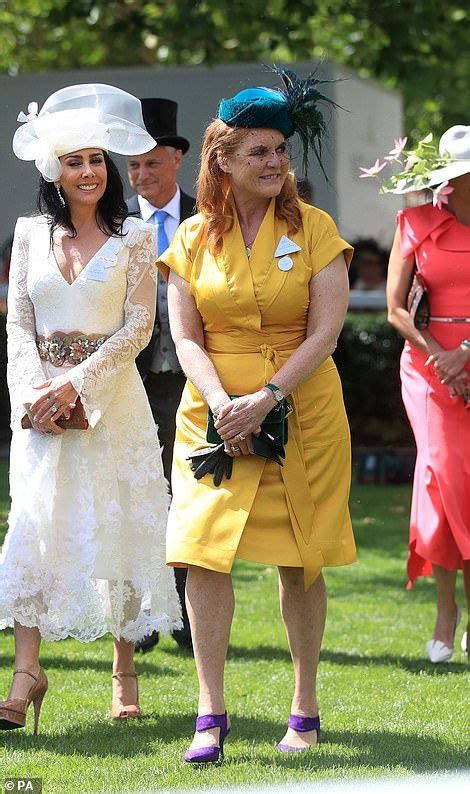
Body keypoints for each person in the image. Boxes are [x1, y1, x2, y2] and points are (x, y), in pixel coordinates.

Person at [158, 67, 356, 762]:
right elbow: (186, 337)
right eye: (260, 152)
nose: (276, 163)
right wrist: (222, 407)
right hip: (211, 409)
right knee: (203, 553)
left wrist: (267, 398)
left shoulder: (317, 228)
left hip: (301, 409)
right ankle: (209, 712)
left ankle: (305, 705)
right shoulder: (189, 238)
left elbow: (324, 334)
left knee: (301, 559)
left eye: (282, 150)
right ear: (224, 161)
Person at [0, 83, 181, 733]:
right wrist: (32, 393)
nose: (87, 172)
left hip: (114, 404)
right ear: (55, 169)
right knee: (31, 529)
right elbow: (18, 323)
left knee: (120, 531)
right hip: (38, 408)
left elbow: (138, 328)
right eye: (74, 161)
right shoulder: (27, 234)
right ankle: (26, 674)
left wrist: (75, 385)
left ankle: (124, 673)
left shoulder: (135, 236)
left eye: (96, 160)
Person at [386, 125, 470, 663]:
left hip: (463, 353)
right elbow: (396, 307)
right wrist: (441, 355)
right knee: (442, 474)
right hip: (427, 369)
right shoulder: (414, 223)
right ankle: (446, 607)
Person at [127, 98, 195, 652]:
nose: (142, 174)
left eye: (152, 162)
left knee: (187, 487)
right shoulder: (117, 225)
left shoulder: (206, 219)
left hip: (190, 374)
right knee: (139, 487)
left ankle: (186, 610)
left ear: (176, 158)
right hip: (129, 374)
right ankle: (147, 610)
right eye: (134, 165)